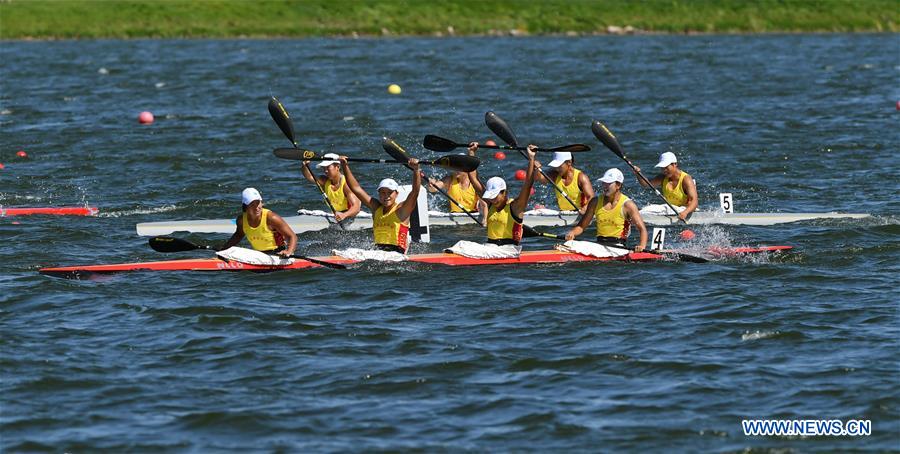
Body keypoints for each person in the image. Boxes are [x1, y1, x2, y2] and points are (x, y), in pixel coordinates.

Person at [340, 156, 421, 253]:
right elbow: (356, 189)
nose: (386, 196)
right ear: (378, 193)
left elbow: (415, 192)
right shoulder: (375, 207)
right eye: (382, 192)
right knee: (348, 251)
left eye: (389, 192)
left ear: (396, 194)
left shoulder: (401, 209)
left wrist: (416, 170)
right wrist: (344, 166)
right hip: (378, 252)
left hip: (397, 254)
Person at [468, 143, 538, 246]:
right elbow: (473, 179)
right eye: (490, 197)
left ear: (504, 192)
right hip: (490, 247)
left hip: (509, 250)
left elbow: (528, 184)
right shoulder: (490, 203)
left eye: (495, 196)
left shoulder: (516, 207)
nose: (492, 200)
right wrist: (471, 152)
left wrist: (531, 158)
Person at [564, 169, 647, 252]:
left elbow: (642, 229)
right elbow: (581, 226)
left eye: (609, 183)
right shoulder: (595, 202)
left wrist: (641, 246)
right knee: (568, 244)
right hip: (599, 244)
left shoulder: (628, 205)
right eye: (604, 183)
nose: (605, 186)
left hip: (618, 247)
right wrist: (572, 233)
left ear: (618, 185)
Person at [222, 188, 298, 257]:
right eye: (252, 204)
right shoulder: (241, 220)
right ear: (245, 206)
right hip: (259, 255)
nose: (257, 207)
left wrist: (288, 251)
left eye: (258, 203)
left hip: (278, 254)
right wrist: (223, 250)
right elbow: (238, 235)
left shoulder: (271, 218)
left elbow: (292, 236)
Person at [632, 151, 698, 221]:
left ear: (674, 164)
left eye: (666, 167)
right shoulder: (662, 177)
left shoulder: (686, 179)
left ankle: (636, 216)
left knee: (663, 208)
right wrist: (638, 174)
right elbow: (646, 184)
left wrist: (685, 212)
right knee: (647, 209)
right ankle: (637, 215)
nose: (664, 170)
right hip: (672, 210)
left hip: (685, 210)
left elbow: (694, 201)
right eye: (662, 168)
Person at [426, 145, 487, 217]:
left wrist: (485, 220)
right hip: (454, 214)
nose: (455, 170)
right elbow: (433, 189)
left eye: (458, 167)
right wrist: (431, 184)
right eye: (454, 167)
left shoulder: (474, 183)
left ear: (466, 168)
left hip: (473, 215)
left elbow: (484, 204)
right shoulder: (449, 180)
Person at [300, 153, 361, 223]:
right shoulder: (324, 181)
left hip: (351, 215)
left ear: (337, 167)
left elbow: (356, 207)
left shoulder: (346, 184)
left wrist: (344, 215)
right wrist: (304, 166)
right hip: (337, 215)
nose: (325, 171)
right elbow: (310, 177)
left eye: (328, 167)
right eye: (324, 168)